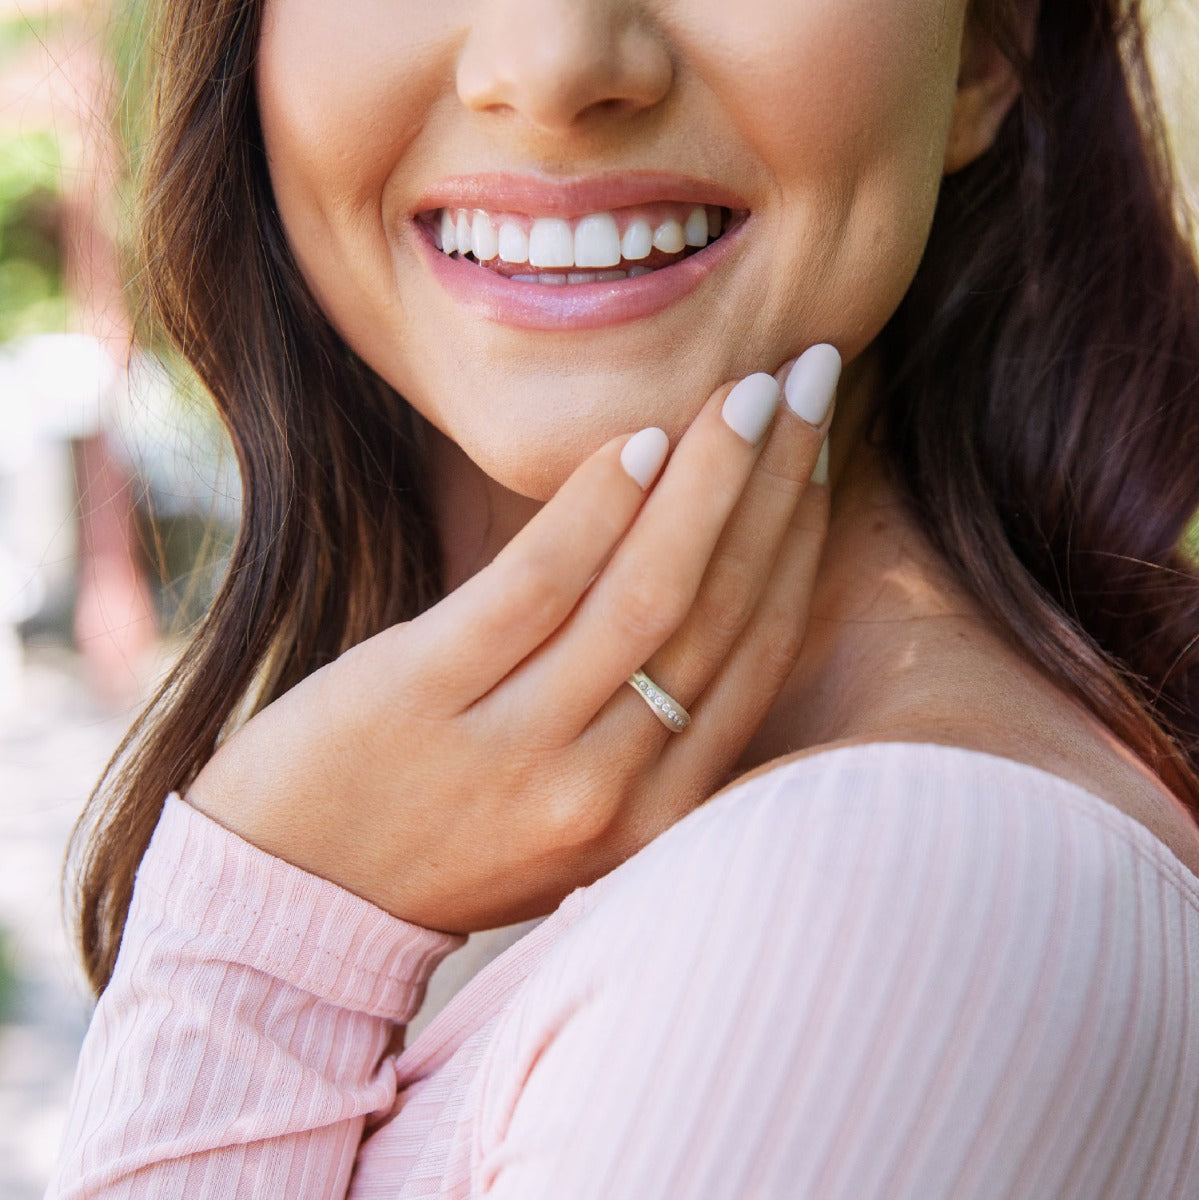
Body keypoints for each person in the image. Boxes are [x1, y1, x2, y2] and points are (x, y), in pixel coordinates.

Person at [48, 0, 1199, 1195]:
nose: (552, 64)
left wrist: (261, 961)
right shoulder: (455, 835)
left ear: (988, 46)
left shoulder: (885, 908)